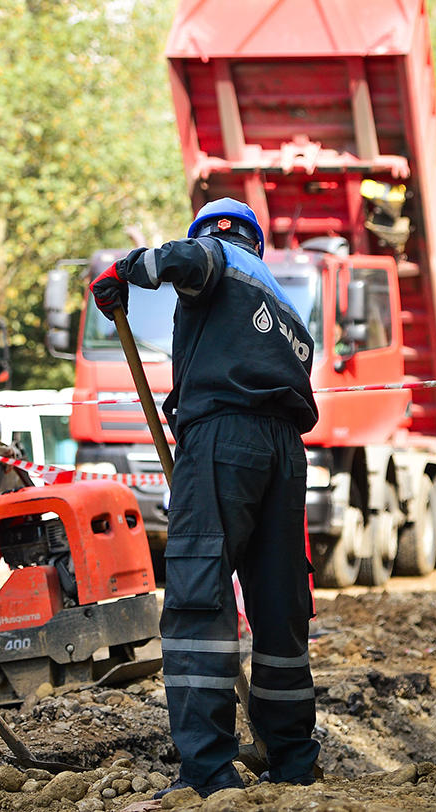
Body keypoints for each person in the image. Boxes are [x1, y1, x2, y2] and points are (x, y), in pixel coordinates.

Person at [90, 197, 321, 798]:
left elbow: (186, 259)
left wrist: (125, 272)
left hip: (224, 438)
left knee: (198, 602)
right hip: (286, 453)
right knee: (280, 606)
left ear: (219, 234)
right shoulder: (288, 308)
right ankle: (293, 759)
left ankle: (208, 770)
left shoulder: (218, 256)